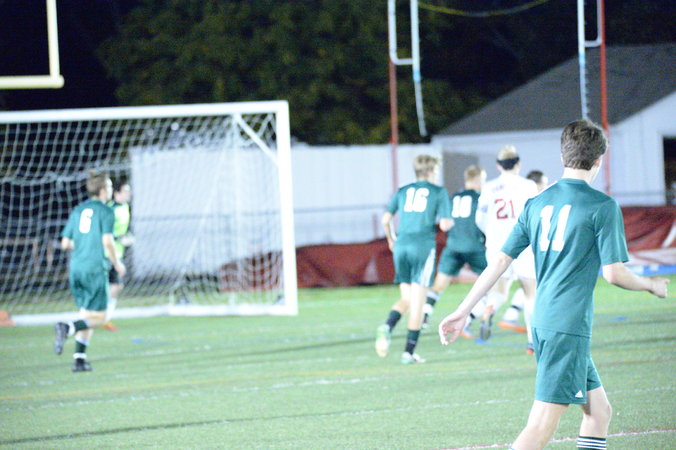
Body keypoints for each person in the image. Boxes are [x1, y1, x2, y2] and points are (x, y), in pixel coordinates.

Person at [439, 119, 669, 449]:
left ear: (562, 156)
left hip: (546, 321)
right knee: (541, 426)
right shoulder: (602, 206)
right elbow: (614, 273)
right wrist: (651, 285)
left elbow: (500, 262)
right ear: (599, 159)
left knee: (599, 412)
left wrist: (463, 310)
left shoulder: (537, 203)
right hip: (567, 325)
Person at [375, 154, 452, 364]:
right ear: (431, 171)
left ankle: (387, 326)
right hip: (422, 247)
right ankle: (408, 353)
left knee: (407, 299)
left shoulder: (402, 190)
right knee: (418, 304)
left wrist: (391, 239)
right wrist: (450, 223)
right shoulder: (438, 192)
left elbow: (385, 220)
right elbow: (445, 224)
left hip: (401, 246)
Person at [54, 170, 126, 372]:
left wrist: (85, 245)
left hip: (76, 267)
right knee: (101, 318)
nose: (111, 190)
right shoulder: (106, 211)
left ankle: (79, 359)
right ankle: (67, 327)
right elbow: (107, 241)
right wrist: (117, 263)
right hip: (94, 269)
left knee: (87, 315)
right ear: (103, 190)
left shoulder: (78, 210)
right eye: (109, 186)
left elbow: (65, 243)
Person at [475, 145, 539, 353]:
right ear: (518, 164)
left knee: (500, 291)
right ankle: (532, 340)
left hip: (497, 247)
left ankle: (489, 308)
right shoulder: (528, 185)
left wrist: (491, 234)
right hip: (522, 245)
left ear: (498, 166)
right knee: (530, 293)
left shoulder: (489, 187)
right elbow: (535, 215)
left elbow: (480, 218)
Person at [422, 164, 488, 339]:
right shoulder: (481, 198)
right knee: (491, 284)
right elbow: (484, 222)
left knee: (439, 285)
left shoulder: (453, 198)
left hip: (453, 246)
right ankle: (467, 318)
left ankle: (424, 316)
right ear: (477, 179)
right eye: (483, 180)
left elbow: (445, 222)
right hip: (474, 246)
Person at [498, 170, 550, 337]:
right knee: (532, 290)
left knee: (524, 287)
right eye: (543, 184)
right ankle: (532, 338)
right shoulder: (534, 200)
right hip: (528, 250)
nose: (545, 187)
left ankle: (510, 315)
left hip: (509, 248)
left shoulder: (513, 196)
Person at [103, 179, 134, 331]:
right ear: (116, 193)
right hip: (105, 254)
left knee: (116, 286)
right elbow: (104, 233)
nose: (129, 193)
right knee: (106, 287)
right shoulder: (110, 209)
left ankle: (106, 319)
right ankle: (96, 317)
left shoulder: (126, 207)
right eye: (125, 191)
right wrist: (119, 239)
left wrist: (127, 237)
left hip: (118, 253)